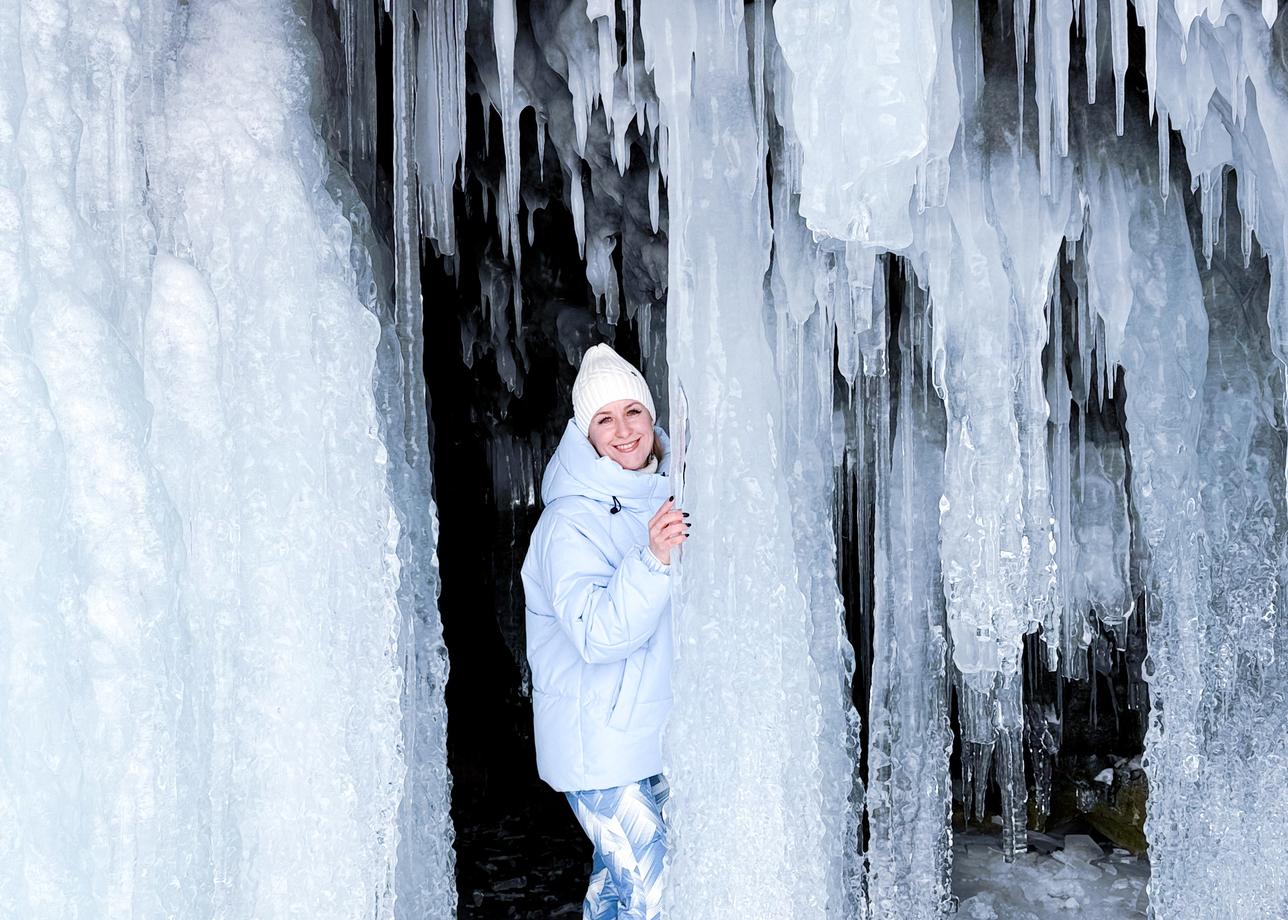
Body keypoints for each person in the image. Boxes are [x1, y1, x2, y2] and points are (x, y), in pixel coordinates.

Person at [521, 343, 688, 920]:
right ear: (584, 433)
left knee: (618, 896)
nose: (623, 430)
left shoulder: (661, 497)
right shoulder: (566, 523)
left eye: (633, 412)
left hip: (652, 739)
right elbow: (595, 633)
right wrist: (654, 561)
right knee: (660, 897)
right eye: (604, 419)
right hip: (604, 748)